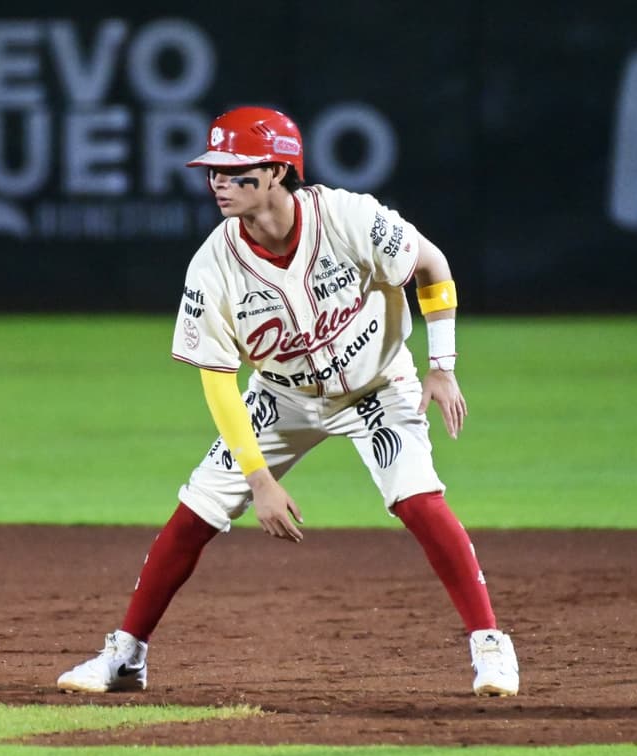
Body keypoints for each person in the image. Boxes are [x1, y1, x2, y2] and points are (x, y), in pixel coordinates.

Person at [56, 106, 519, 697]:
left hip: (376, 385)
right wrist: (258, 480)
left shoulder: (348, 217)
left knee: (418, 499)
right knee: (195, 512)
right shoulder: (213, 265)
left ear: (277, 171)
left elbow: (432, 265)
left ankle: (490, 646)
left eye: (234, 170)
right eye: (212, 172)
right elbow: (219, 377)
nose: (218, 183)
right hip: (281, 397)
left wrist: (442, 367)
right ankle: (126, 658)